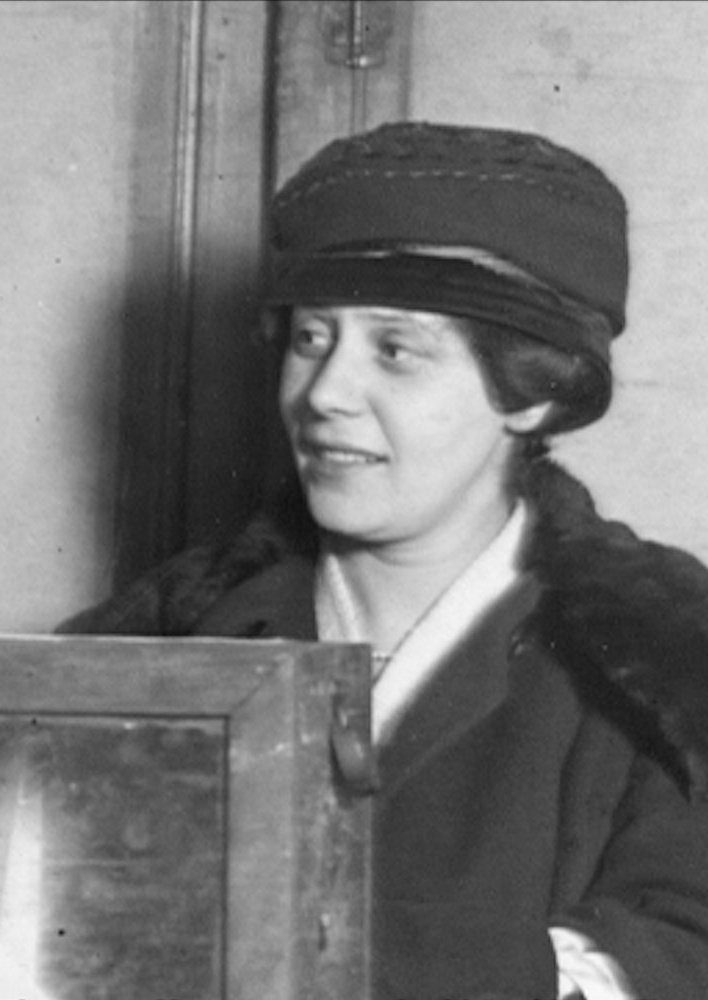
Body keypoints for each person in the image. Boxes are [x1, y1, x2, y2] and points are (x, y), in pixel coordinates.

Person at [61, 121, 708, 999]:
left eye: (395, 351)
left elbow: (682, 947)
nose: (324, 394)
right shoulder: (167, 635)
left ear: (532, 393)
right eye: (310, 339)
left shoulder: (667, 662)